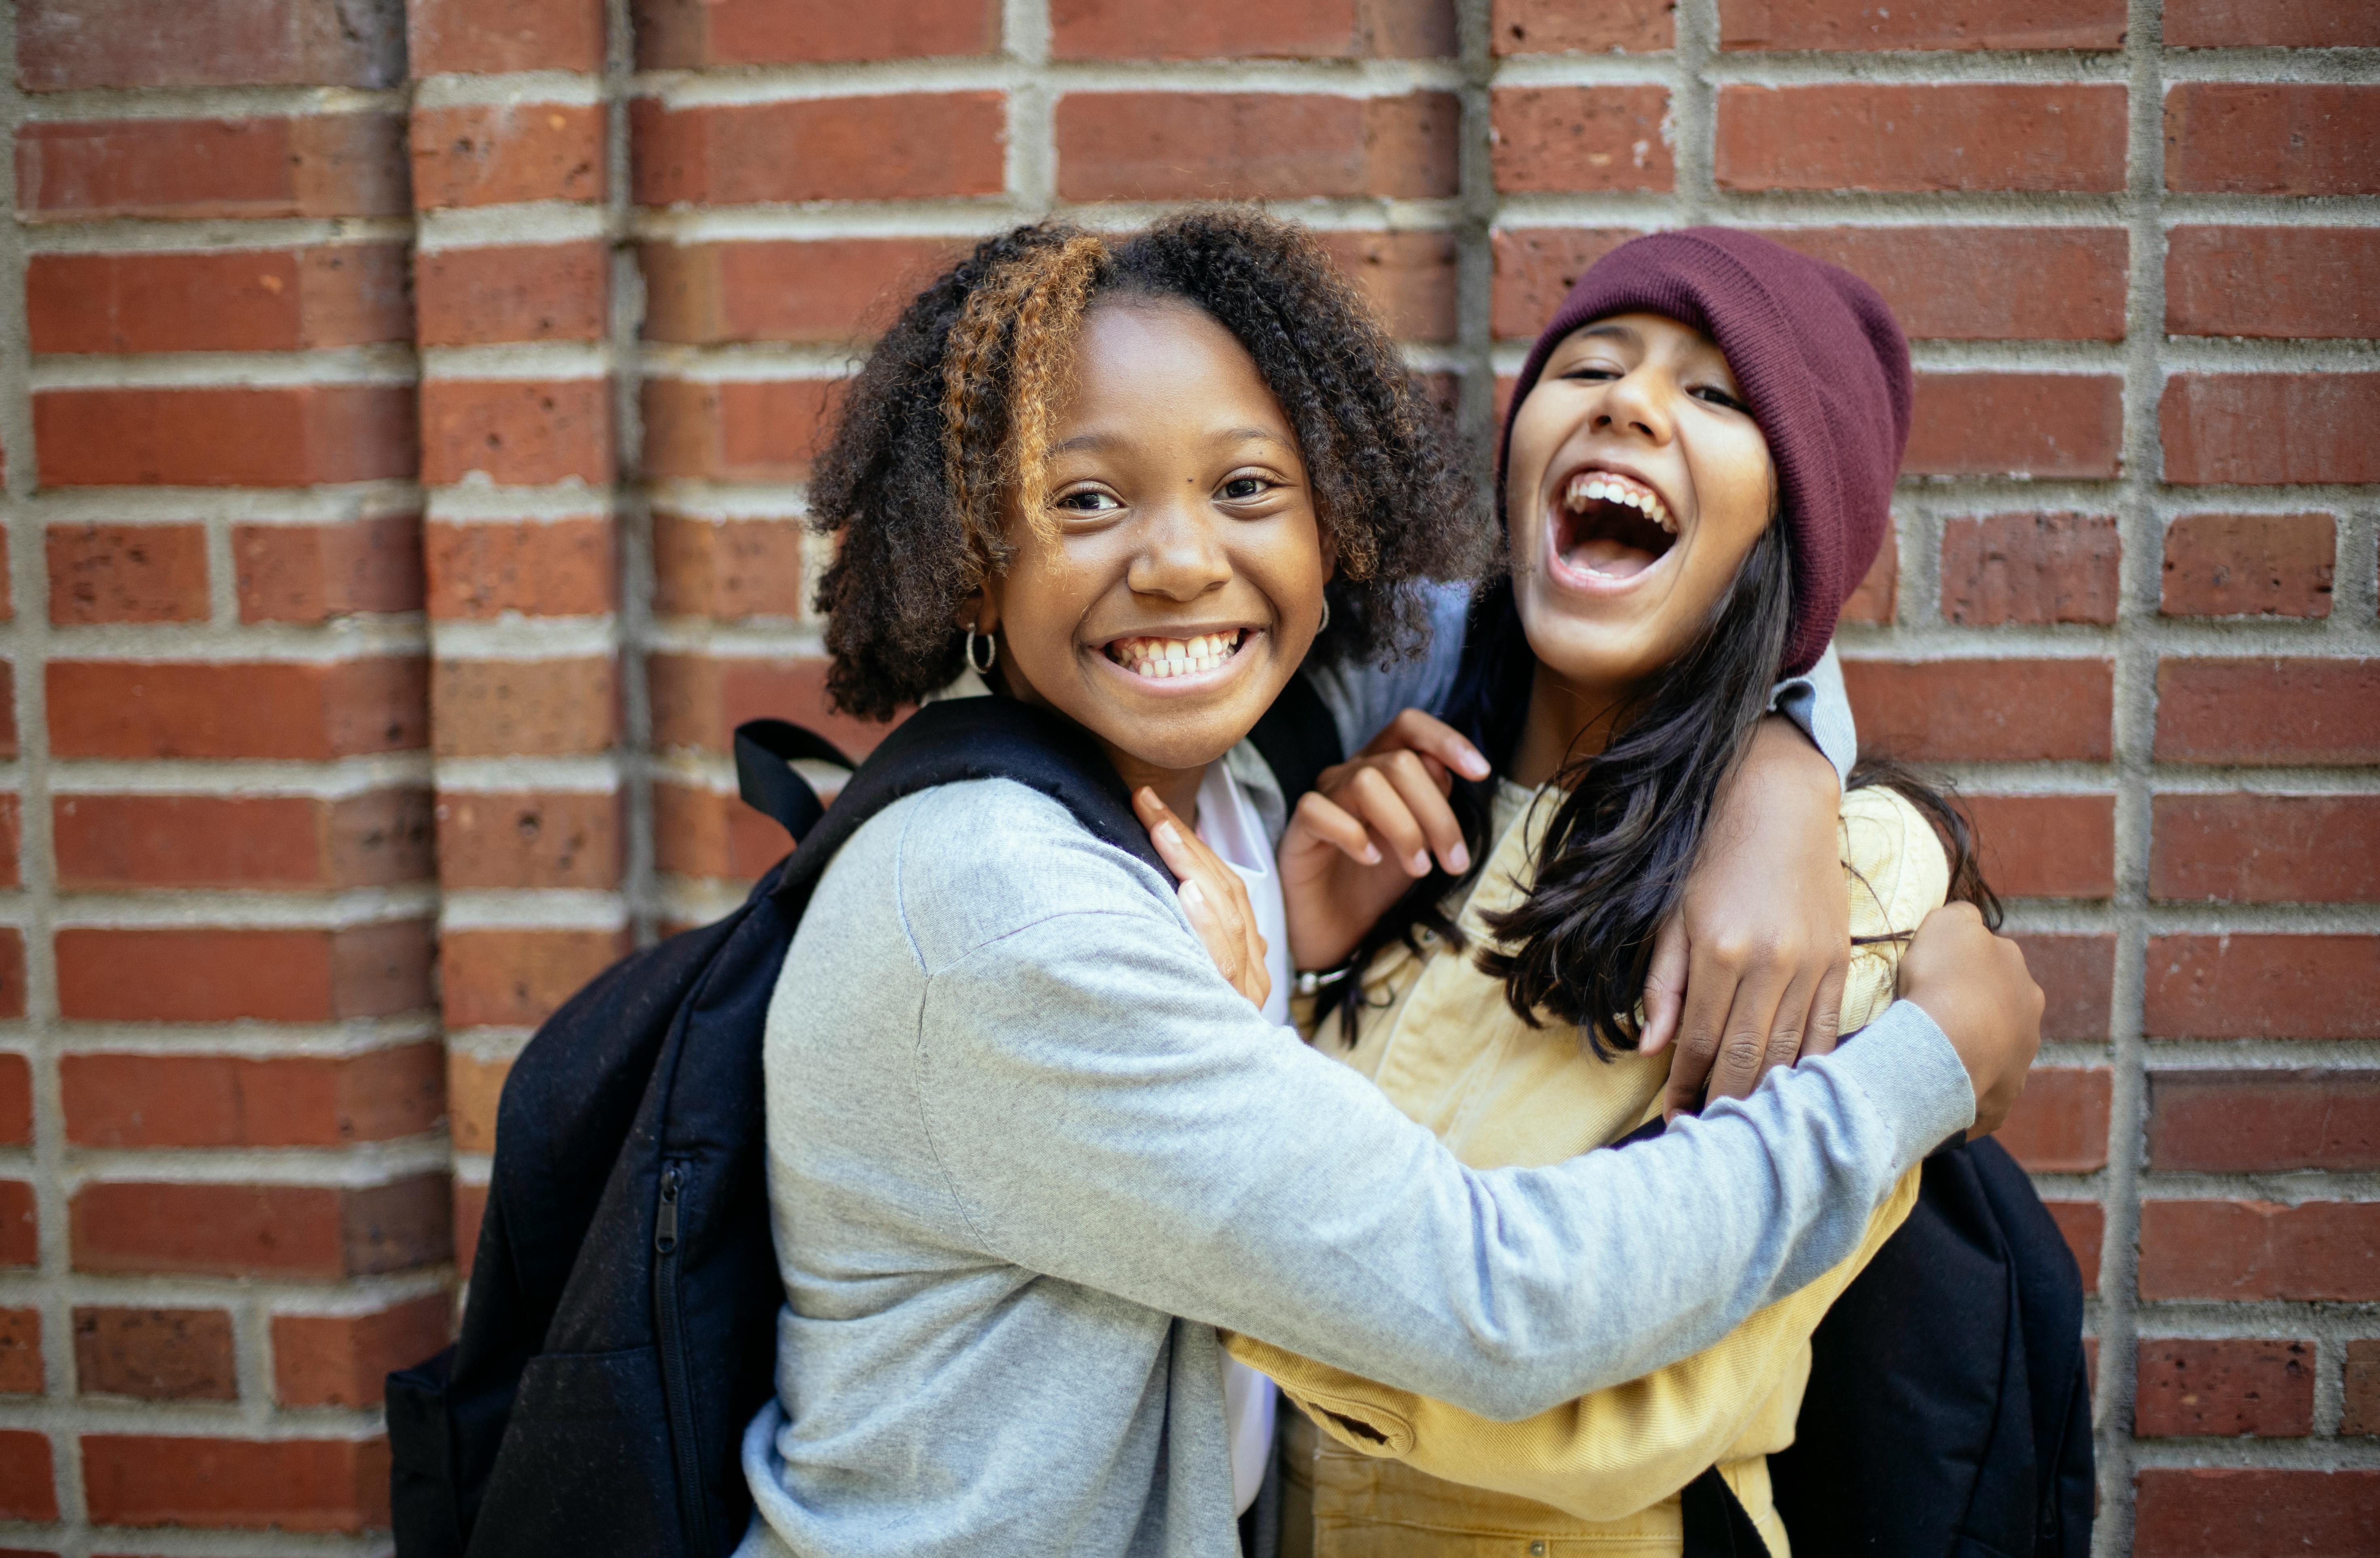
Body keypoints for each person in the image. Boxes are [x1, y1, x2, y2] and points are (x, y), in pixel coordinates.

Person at [735, 211, 2040, 1557]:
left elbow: (1749, 585)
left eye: (1247, 488)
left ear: (1328, 524)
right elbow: (1482, 1298)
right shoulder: (1012, 899)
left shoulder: (1285, 731)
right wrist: (1925, 1069)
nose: (1182, 563)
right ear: (964, 549)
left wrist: (1783, 773)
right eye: (1084, 498)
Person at [1226, 228, 2020, 1554]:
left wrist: (1182, 1242)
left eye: (1715, 397)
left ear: (1793, 520)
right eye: (1587, 366)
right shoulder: (1398, 806)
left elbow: (1631, 1400)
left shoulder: (1842, 879)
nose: (1628, 403)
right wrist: (1292, 973)